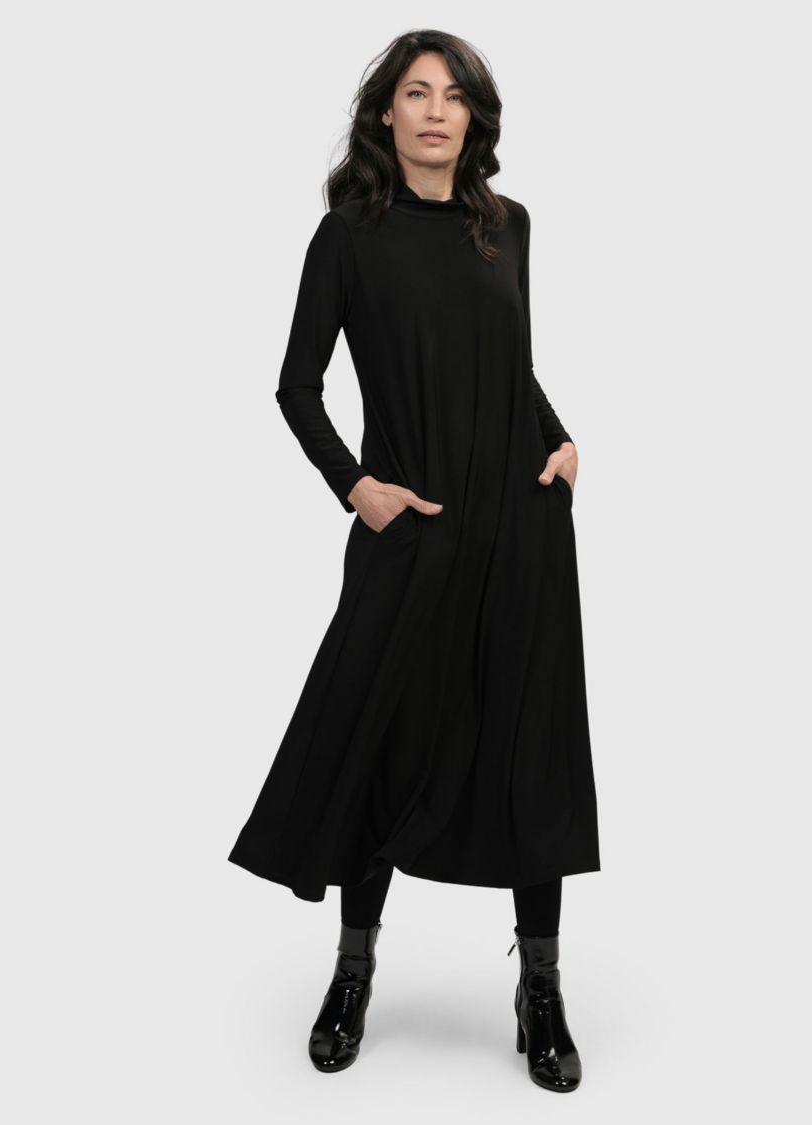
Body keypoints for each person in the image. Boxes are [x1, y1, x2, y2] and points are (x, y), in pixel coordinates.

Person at [228, 29, 601, 1094]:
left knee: (529, 750)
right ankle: (353, 973)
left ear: (475, 116)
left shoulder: (507, 227)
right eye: (416, 93)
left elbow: (511, 367)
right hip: (414, 531)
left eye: (454, 96)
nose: (436, 111)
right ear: (384, 114)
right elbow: (297, 385)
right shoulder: (350, 235)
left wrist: (562, 441)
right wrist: (357, 487)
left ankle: (540, 990)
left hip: (520, 526)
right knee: (380, 739)